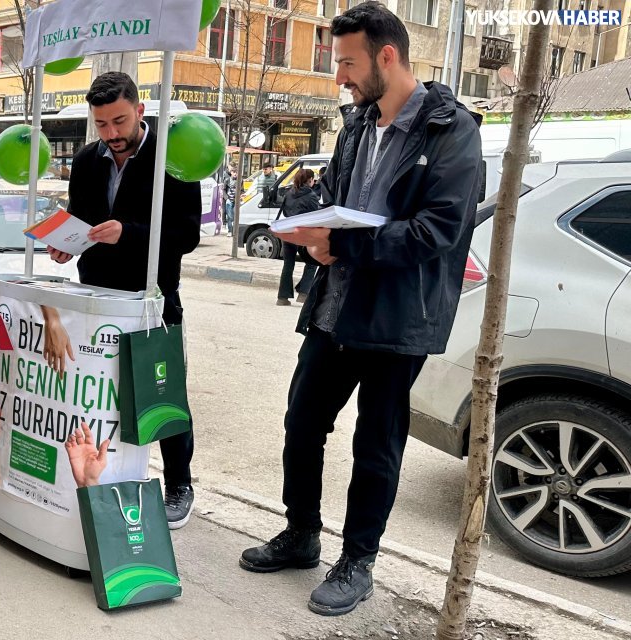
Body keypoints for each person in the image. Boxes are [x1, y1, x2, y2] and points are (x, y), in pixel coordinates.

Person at [243, 1, 482, 616]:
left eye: (348, 63)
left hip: (397, 318)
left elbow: (438, 231)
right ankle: (301, 534)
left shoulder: (451, 130)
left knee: (377, 445)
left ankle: (358, 561)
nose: (340, 77)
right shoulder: (355, 126)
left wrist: (342, 243)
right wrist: (303, 220)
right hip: (335, 306)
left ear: (387, 56)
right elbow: (333, 195)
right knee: (303, 422)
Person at [46, 71, 202, 529]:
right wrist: (66, 244)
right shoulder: (86, 161)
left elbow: (187, 234)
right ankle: (103, 474)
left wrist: (128, 234)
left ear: (140, 110)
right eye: (101, 124)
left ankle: (179, 484)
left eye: (119, 121)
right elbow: (81, 218)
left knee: (162, 395)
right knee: (100, 393)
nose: (111, 133)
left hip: (152, 299)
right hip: (95, 297)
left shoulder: (171, 157)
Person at [274, 169, 321, 306]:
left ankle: (282, 297)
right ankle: (303, 293)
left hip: (288, 232)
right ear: (310, 180)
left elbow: (285, 212)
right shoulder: (311, 196)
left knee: (288, 264)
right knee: (312, 263)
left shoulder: (289, 193)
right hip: (304, 234)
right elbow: (315, 216)